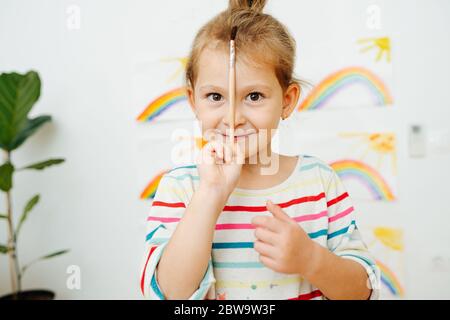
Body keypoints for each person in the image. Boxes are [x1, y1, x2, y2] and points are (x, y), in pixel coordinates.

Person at [140, 0, 380, 300]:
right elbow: (169, 294)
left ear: (287, 101)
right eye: (215, 96)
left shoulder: (320, 182)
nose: (232, 118)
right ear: (193, 101)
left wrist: (312, 259)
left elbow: (363, 292)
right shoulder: (182, 188)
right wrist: (210, 194)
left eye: (254, 96)